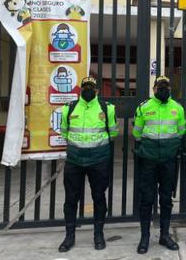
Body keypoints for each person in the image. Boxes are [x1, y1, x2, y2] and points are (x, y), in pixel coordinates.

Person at [58, 76, 118, 252]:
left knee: (99, 197)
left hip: (98, 159)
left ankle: (98, 234)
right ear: (80, 89)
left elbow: (112, 133)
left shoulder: (107, 108)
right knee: (71, 199)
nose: (88, 90)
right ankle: (69, 236)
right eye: (85, 87)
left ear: (97, 90)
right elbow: (64, 131)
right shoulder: (68, 108)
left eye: (91, 87)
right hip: (75, 160)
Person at [133, 76, 186, 254]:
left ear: (170, 89)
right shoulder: (143, 107)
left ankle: (165, 235)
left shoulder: (177, 108)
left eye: (166, 86)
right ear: (154, 89)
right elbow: (137, 133)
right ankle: (144, 237)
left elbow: (181, 132)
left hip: (168, 160)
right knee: (147, 199)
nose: (163, 89)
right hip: (148, 159)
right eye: (160, 86)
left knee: (166, 199)